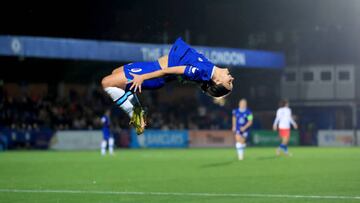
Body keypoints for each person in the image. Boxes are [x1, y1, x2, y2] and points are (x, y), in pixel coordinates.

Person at [101, 38, 234, 134]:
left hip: (152, 73)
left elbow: (167, 71)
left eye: (229, 82)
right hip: (151, 66)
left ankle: (135, 112)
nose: (231, 78)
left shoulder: (201, 72)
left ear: (218, 82)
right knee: (115, 74)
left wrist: (143, 77)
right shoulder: (209, 68)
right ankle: (136, 110)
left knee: (106, 82)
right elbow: (182, 74)